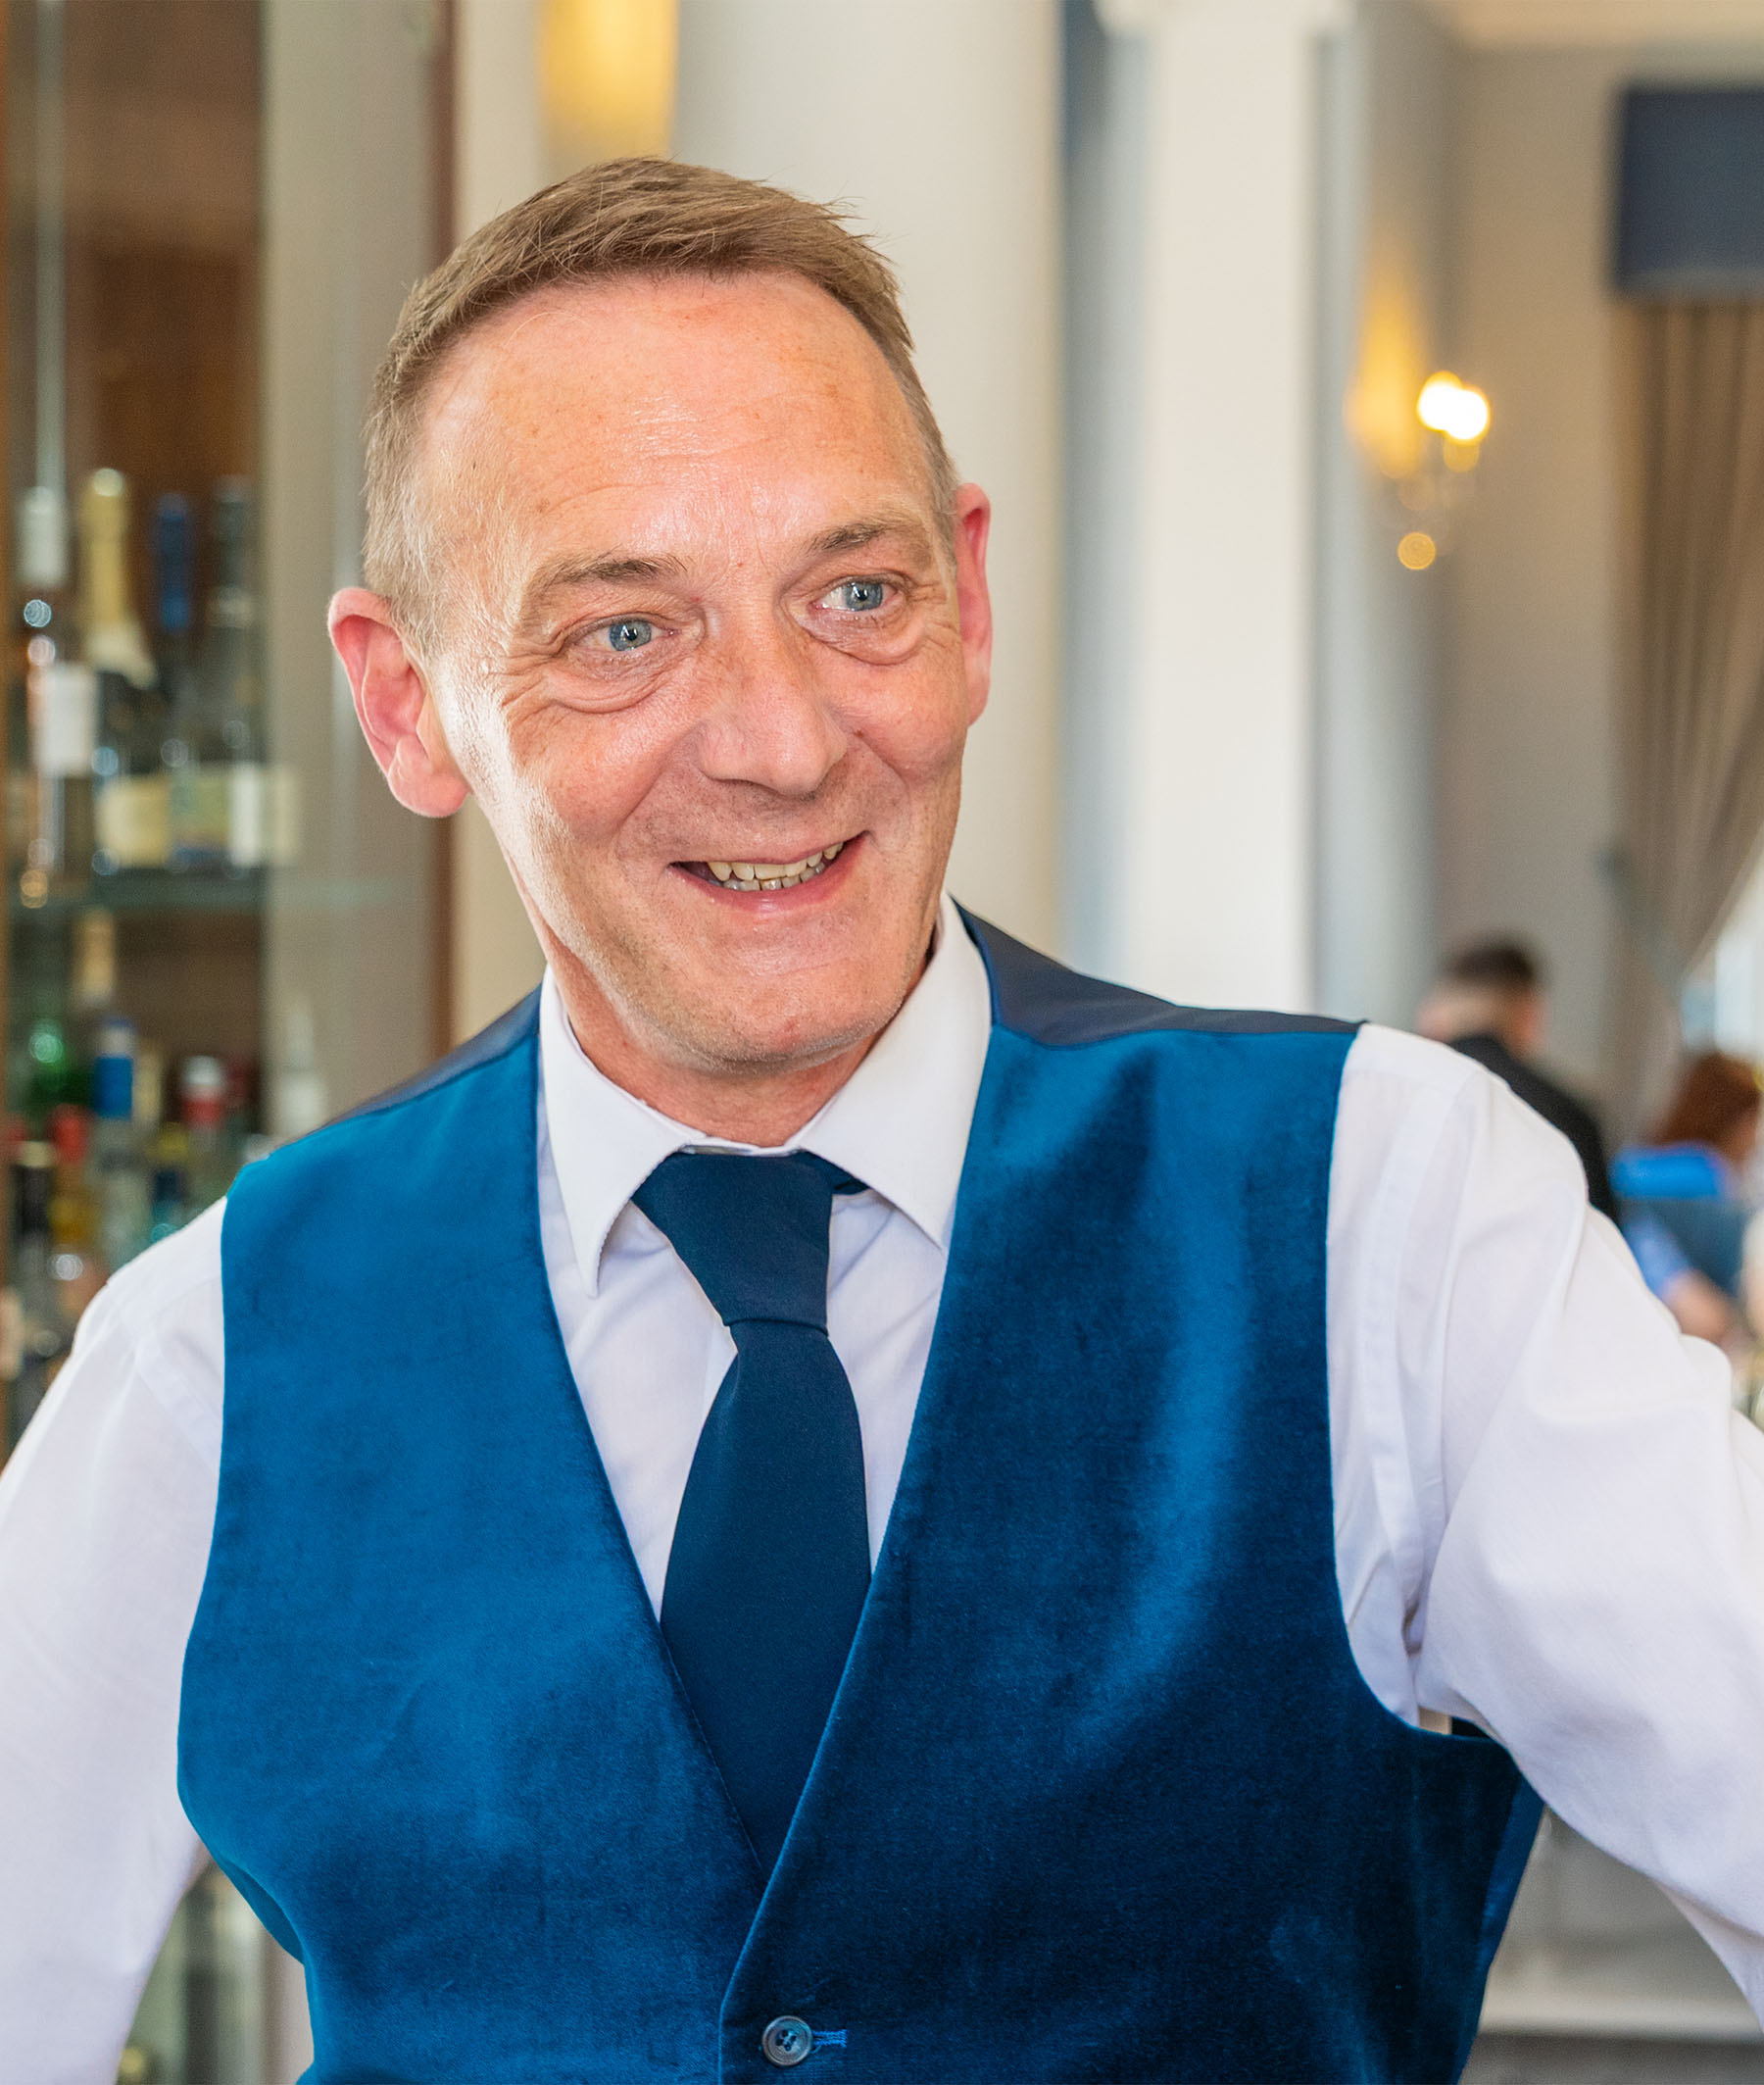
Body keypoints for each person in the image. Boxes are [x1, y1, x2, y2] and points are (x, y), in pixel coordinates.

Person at [4, 160, 1764, 2085]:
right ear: (407, 702)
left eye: (854, 592)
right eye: (621, 631)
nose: (779, 736)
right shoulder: (221, 1342)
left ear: (972, 593)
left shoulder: (1387, 1216)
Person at [1417, 936, 1619, 1220]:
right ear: (1529, 1012)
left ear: (1438, 1010)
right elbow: (1602, 1247)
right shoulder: (1570, 1116)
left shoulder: (1405, 1096)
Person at [1614, 1050, 1763, 1350]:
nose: (1755, 1138)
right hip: (1684, 1329)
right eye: (1754, 1122)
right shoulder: (1711, 1175)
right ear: (1736, 1120)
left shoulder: (1634, 1162)